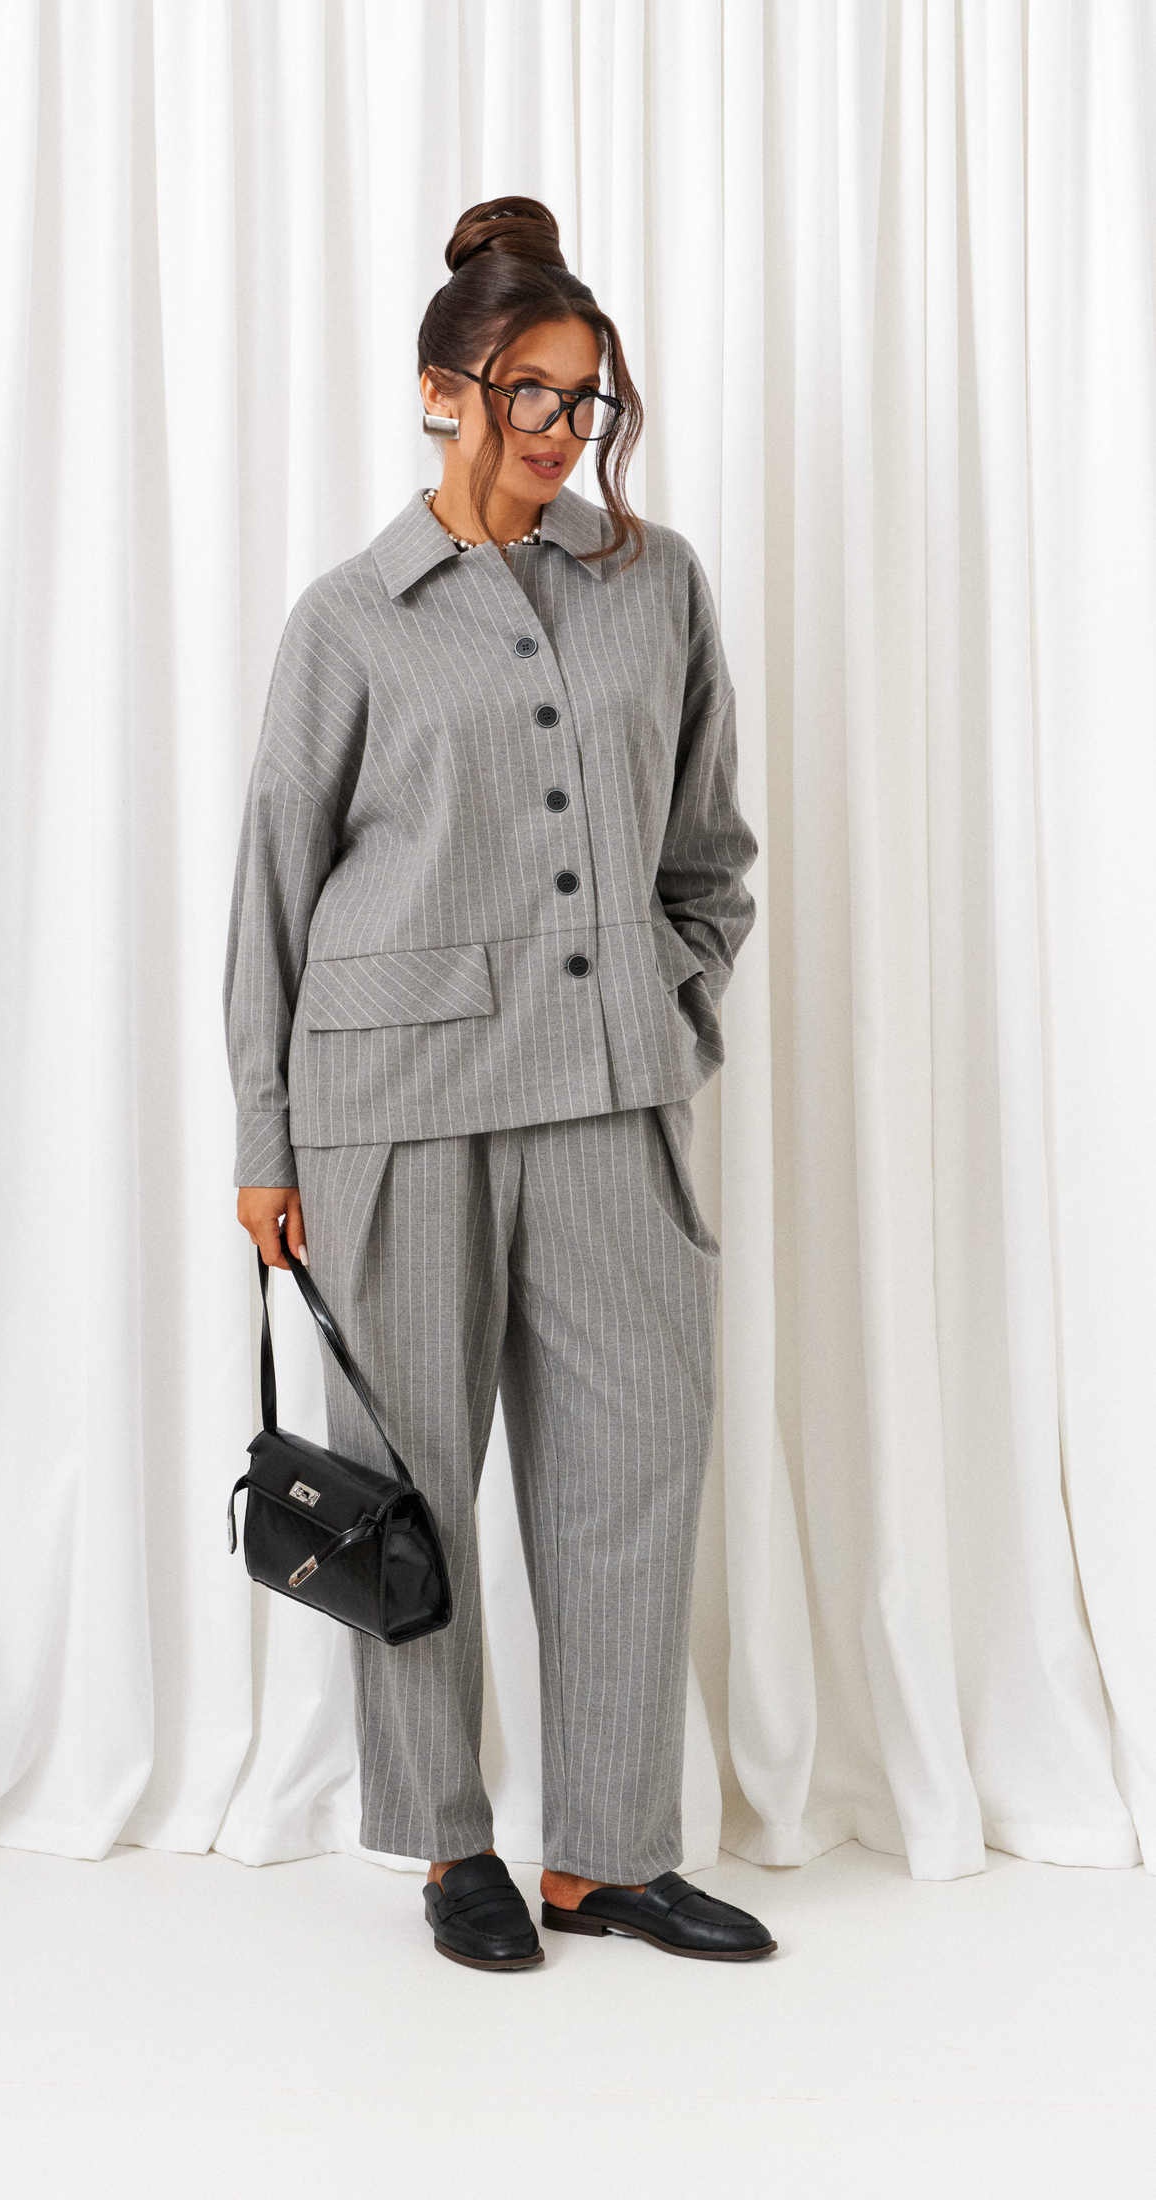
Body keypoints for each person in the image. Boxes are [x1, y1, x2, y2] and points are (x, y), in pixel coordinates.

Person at [222, 194, 774, 1972]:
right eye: (530, 393)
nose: (561, 429)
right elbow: (274, 888)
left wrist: (676, 1001)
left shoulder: (654, 582)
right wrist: (265, 1139)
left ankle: (606, 1856)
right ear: (442, 391)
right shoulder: (349, 620)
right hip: (391, 1114)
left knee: (635, 1465)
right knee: (409, 1483)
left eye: (585, 397)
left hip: (610, 1090)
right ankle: (449, 1844)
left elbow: (708, 851)